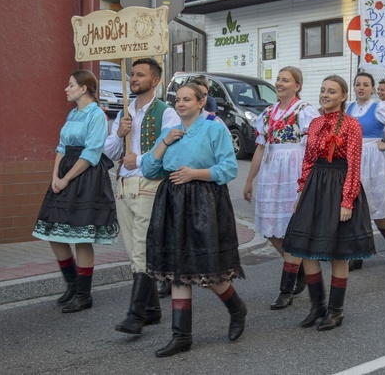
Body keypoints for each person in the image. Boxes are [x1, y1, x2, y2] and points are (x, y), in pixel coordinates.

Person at [142, 83, 245, 357]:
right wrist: (165, 142)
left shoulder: (214, 128)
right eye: (178, 100)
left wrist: (194, 174)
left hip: (203, 201)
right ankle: (181, 336)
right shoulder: (169, 132)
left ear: (201, 102)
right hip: (171, 202)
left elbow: (229, 168)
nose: (181, 104)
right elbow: (149, 169)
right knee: (178, 268)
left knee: (206, 268)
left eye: (187, 99)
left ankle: (237, 308)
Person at [283, 75, 375, 331]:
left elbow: (354, 165)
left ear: (343, 96)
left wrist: (348, 201)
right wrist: (301, 193)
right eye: (323, 90)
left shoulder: (352, 125)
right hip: (315, 186)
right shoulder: (314, 123)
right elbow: (308, 161)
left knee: (337, 252)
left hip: (339, 185)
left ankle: (336, 311)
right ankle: (317, 306)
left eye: (331, 91)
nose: (325, 95)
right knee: (306, 248)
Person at [33, 70, 119, 313]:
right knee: (52, 230)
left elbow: (92, 153)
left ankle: (84, 294)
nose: (66, 88)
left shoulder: (97, 115)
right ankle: (72, 284)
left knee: (81, 236)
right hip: (64, 174)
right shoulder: (73, 113)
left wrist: (67, 178)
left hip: (85, 177)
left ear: (83, 88)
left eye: (70, 85)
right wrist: (55, 177)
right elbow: (61, 147)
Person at [104, 58, 180, 334]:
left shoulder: (166, 112)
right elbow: (111, 153)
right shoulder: (125, 112)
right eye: (132, 74)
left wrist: (142, 158)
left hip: (149, 185)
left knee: (141, 249)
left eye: (140, 75)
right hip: (124, 185)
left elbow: (170, 149)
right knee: (132, 250)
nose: (133, 78)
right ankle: (151, 309)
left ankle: (135, 315)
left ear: (156, 81)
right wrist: (120, 133)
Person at [243, 66, 319, 310]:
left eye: (285, 80)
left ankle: (286, 290)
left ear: (297, 86)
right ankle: (297, 267)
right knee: (272, 230)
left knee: (292, 228)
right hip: (271, 172)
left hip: (294, 170)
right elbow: (261, 147)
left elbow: (314, 148)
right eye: (278, 79)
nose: (279, 83)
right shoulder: (267, 113)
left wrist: (307, 179)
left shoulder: (305, 111)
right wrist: (249, 180)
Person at [346, 72, 385, 271]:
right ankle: (358, 253)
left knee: (377, 207)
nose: (361, 88)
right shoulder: (347, 107)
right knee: (353, 208)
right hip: (351, 158)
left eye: (366, 84)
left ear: (372, 88)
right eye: (358, 84)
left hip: (373, 158)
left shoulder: (380, 107)